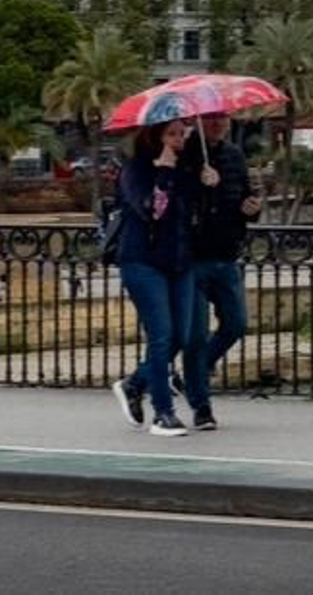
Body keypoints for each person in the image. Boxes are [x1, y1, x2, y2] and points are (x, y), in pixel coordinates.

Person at [110, 120, 198, 437]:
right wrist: (163, 172)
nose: (178, 140)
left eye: (181, 134)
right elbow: (151, 210)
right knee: (161, 337)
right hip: (143, 261)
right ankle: (163, 414)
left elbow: (191, 215)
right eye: (171, 135)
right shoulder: (136, 170)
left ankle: (134, 384)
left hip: (180, 262)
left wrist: (208, 183)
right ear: (154, 138)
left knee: (180, 337)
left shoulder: (187, 167)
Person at [178, 114, 261, 431]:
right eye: (211, 119)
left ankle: (193, 373)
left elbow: (243, 196)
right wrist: (200, 184)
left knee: (236, 324)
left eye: (222, 118)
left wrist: (252, 208)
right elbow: (174, 203)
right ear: (198, 122)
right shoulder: (185, 156)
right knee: (195, 337)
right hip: (193, 259)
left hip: (227, 255)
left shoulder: (234, 154)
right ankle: (202, 407)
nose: (218, 123)